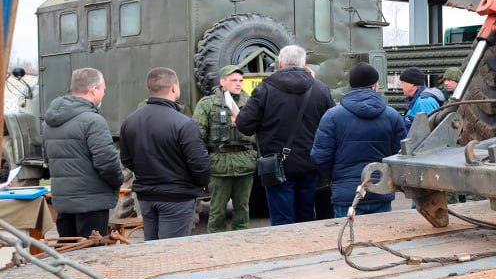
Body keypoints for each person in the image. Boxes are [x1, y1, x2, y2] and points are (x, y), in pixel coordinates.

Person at [236, 45, 335, 225]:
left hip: (277, 165)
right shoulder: (321, 89)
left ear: (279, 64)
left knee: (282, 219)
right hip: (310, 163)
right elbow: (332, 126)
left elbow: (244, 125)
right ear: (304, 65)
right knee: (306, 216)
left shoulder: (265, 89)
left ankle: (285, 250)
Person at [119, 67, 211, 240]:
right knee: (172, 253)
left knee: (152, 249)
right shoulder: (184, 124)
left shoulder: (129, 122)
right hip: (177, 198)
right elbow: (200, 165)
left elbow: (127, 159)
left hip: (146, 196)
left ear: (149, 89)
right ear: (174, 88)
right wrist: (198, 185)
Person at [311, 63, 407, 217]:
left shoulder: (332, 116)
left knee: (349, 239)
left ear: (351, 85)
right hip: (380, 191)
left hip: (346, 195)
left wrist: (336, 177)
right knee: (381, 239)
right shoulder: (392, 116)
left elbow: (319, 156)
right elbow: (401, 154)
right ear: (375, 86)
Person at [42, 67, 124, 239]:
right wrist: (117, 181)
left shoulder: (49, 123)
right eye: (103, 89)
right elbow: (107, 162)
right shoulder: (93, 121)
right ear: (93, 89)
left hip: (64, 204)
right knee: (91, 257)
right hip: (91, 205)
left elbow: (48, 160)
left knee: (68, 255)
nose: (103, 93)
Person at [193, 65, 258, 232]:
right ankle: (216, 244)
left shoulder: (250, 103)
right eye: (233, 80)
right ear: (222, 82)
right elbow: (197, 136)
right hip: (219, 165)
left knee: (243, 210)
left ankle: (241, 242)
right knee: (217, 211)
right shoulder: (208, 105)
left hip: (245, 164)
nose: (238, 84)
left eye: (241, 80)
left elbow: (260, 133)